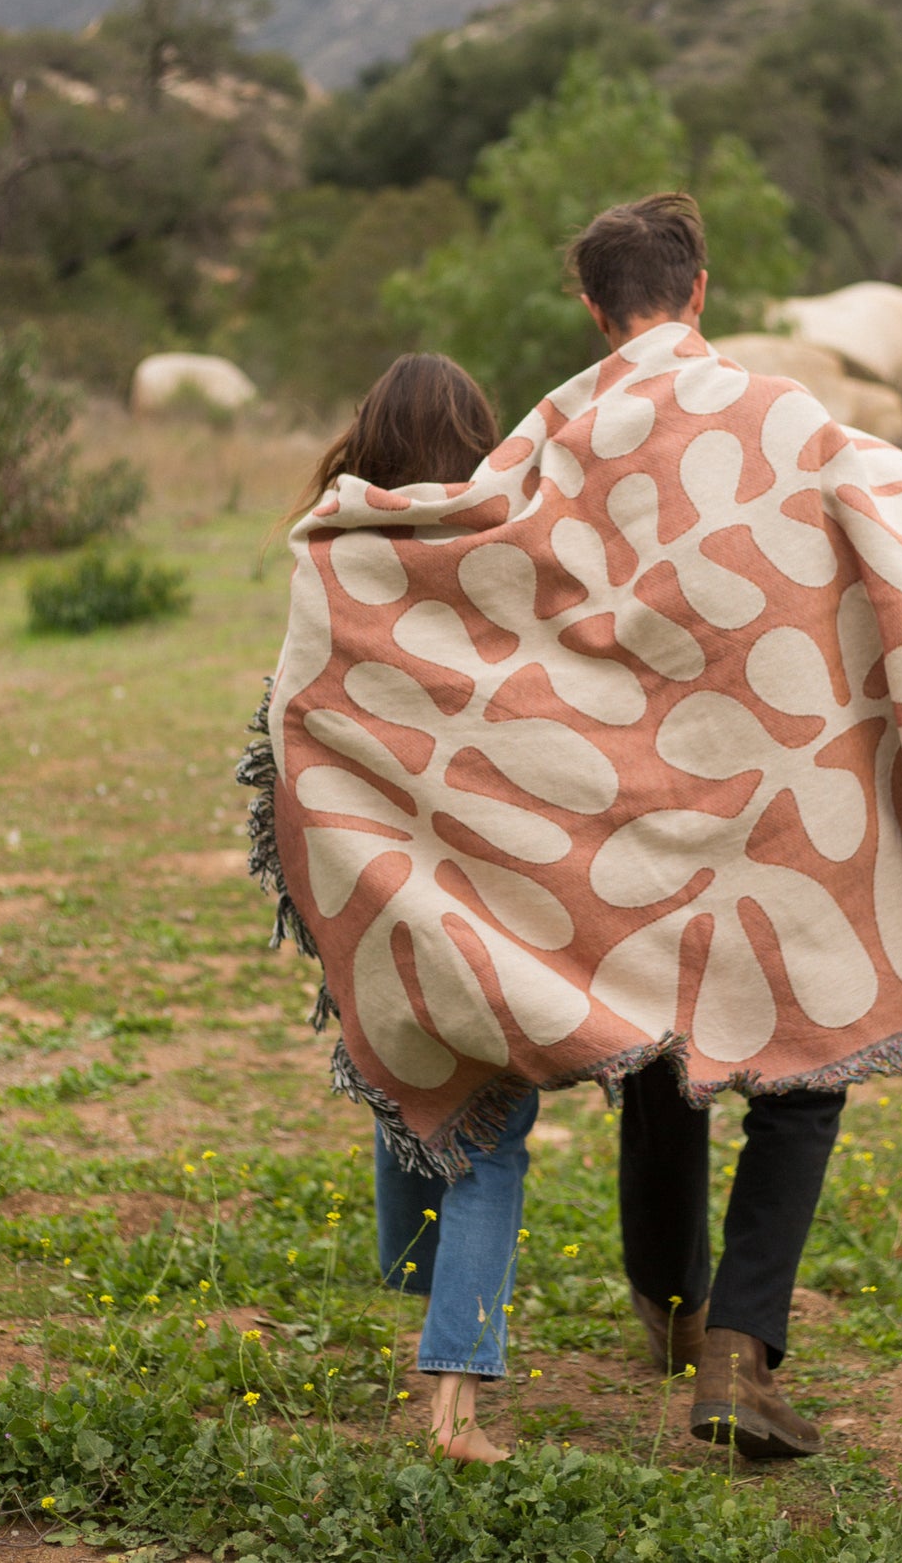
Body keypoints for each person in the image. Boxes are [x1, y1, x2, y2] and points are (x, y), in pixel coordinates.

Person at [571, 193, 844, 1460]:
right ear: (698, 291)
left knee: (657, 1053)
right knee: (801, 1067)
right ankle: (737, 1348)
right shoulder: (787, 414)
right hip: (780, 790)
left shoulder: (559, 432)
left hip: (629, 791)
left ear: (593, 307)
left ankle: (673, 1310)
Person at [294, 353, 536, 1465]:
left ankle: (418, 1281)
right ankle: (452, 1405)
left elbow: (295, 720)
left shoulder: (331, 551)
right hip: (498, 892)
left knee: (409, 1082)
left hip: (374, 891)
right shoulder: (516, 549)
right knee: (488, 1132)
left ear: (368, 438)